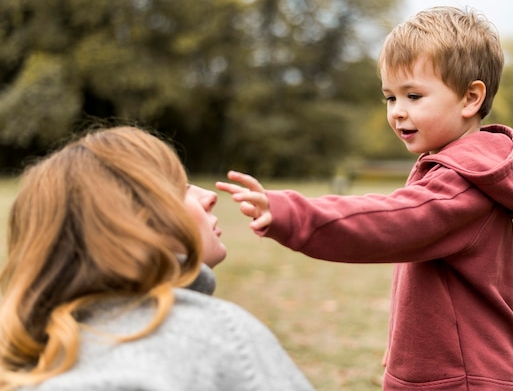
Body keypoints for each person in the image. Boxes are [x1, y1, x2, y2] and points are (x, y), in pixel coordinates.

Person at [216, 6, 513, 391]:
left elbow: (388, 221)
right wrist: (408, 348)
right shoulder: (445, 167)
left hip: (460, 379)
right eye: (390, 97)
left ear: (470, 98)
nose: (397, 112)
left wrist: (291, 212)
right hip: (439, 369)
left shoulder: (462, 183)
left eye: (414, 95)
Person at [0, 126, 314, 391]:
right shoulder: (221, 332)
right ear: (134, 221)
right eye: (180, 188)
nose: (209, 196)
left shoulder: (22, 361)